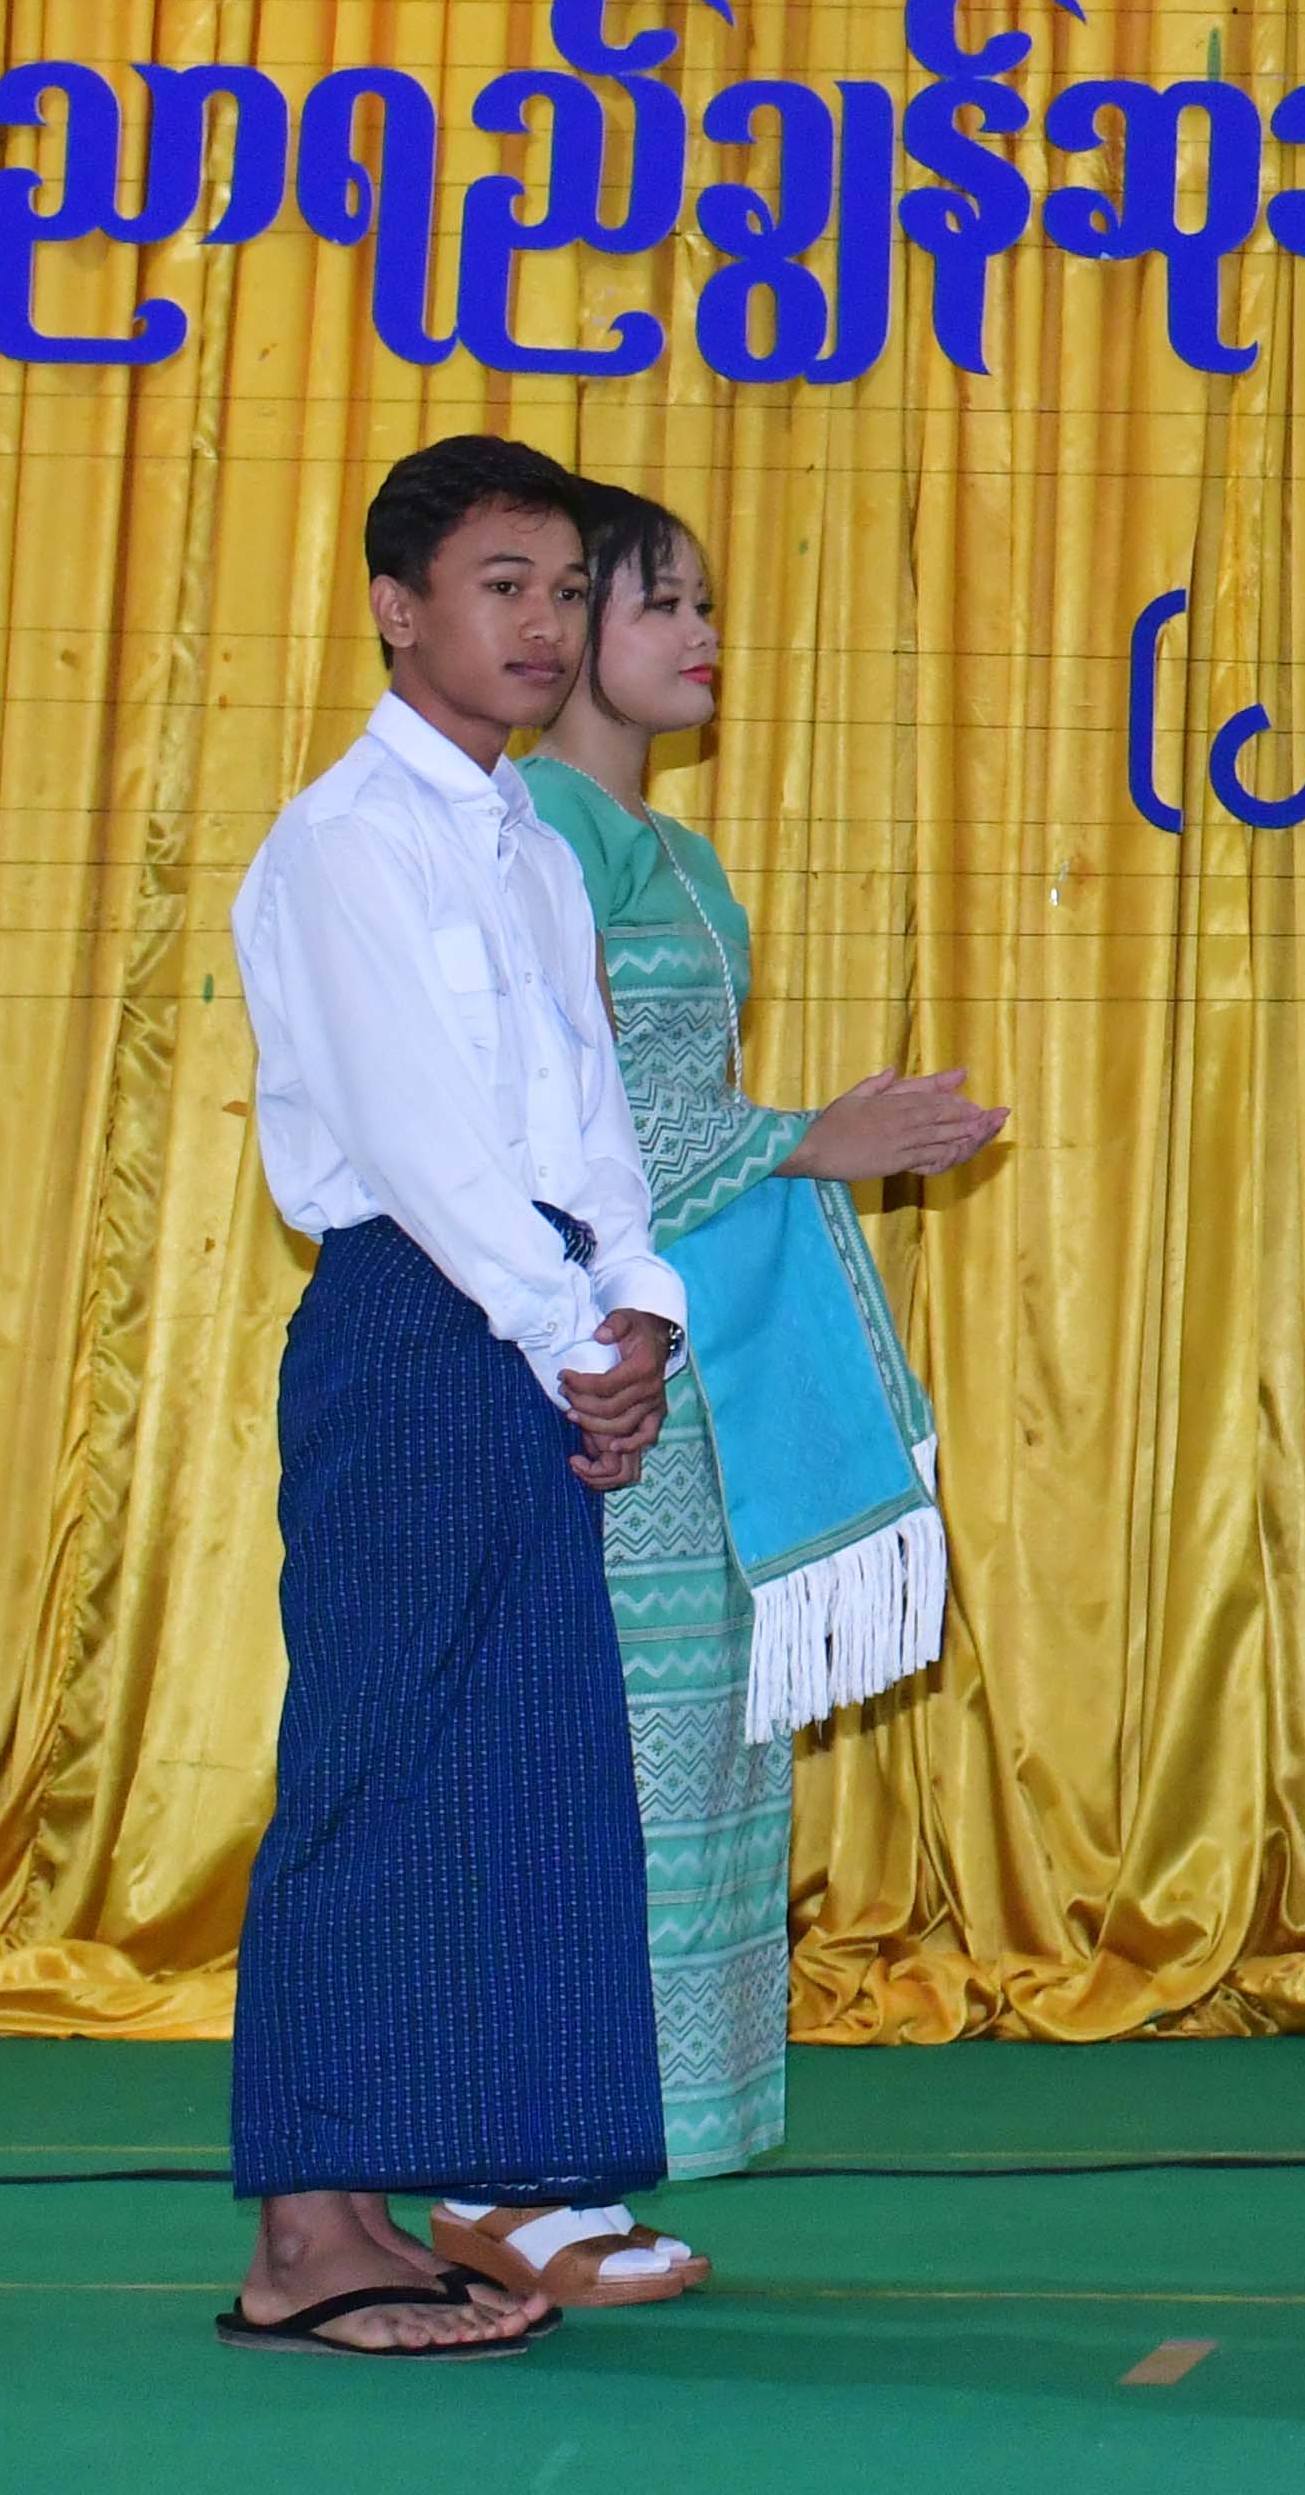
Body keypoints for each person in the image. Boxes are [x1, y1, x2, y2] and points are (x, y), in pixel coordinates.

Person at [472, 483, 1005, 2309]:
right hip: (578, 1359)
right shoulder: (537, 829)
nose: (700, 635)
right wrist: (808, 1141)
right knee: (592, 1771)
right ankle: (515, 2167)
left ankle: (598, 2162)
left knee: (693, 1758)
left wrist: (807, 1141)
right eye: (659, 603)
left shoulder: (680, 855)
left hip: (687, 1365)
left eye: (704, 602)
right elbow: (573, 1121)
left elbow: (678, 1115)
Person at [214, 435, 677, 2360]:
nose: (546, 625)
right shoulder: (348, 841)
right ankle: (302, 2239)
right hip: (425, 1326)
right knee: (382, 1764)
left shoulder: (529, 844)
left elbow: (589, 1108)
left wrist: (639, 1308)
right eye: (506, 587)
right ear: (399, 610)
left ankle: (443, 2191)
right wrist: (569, 1325)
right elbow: (420, 1142)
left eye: (568, 591)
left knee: (517, 1772)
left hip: (534, 1311)